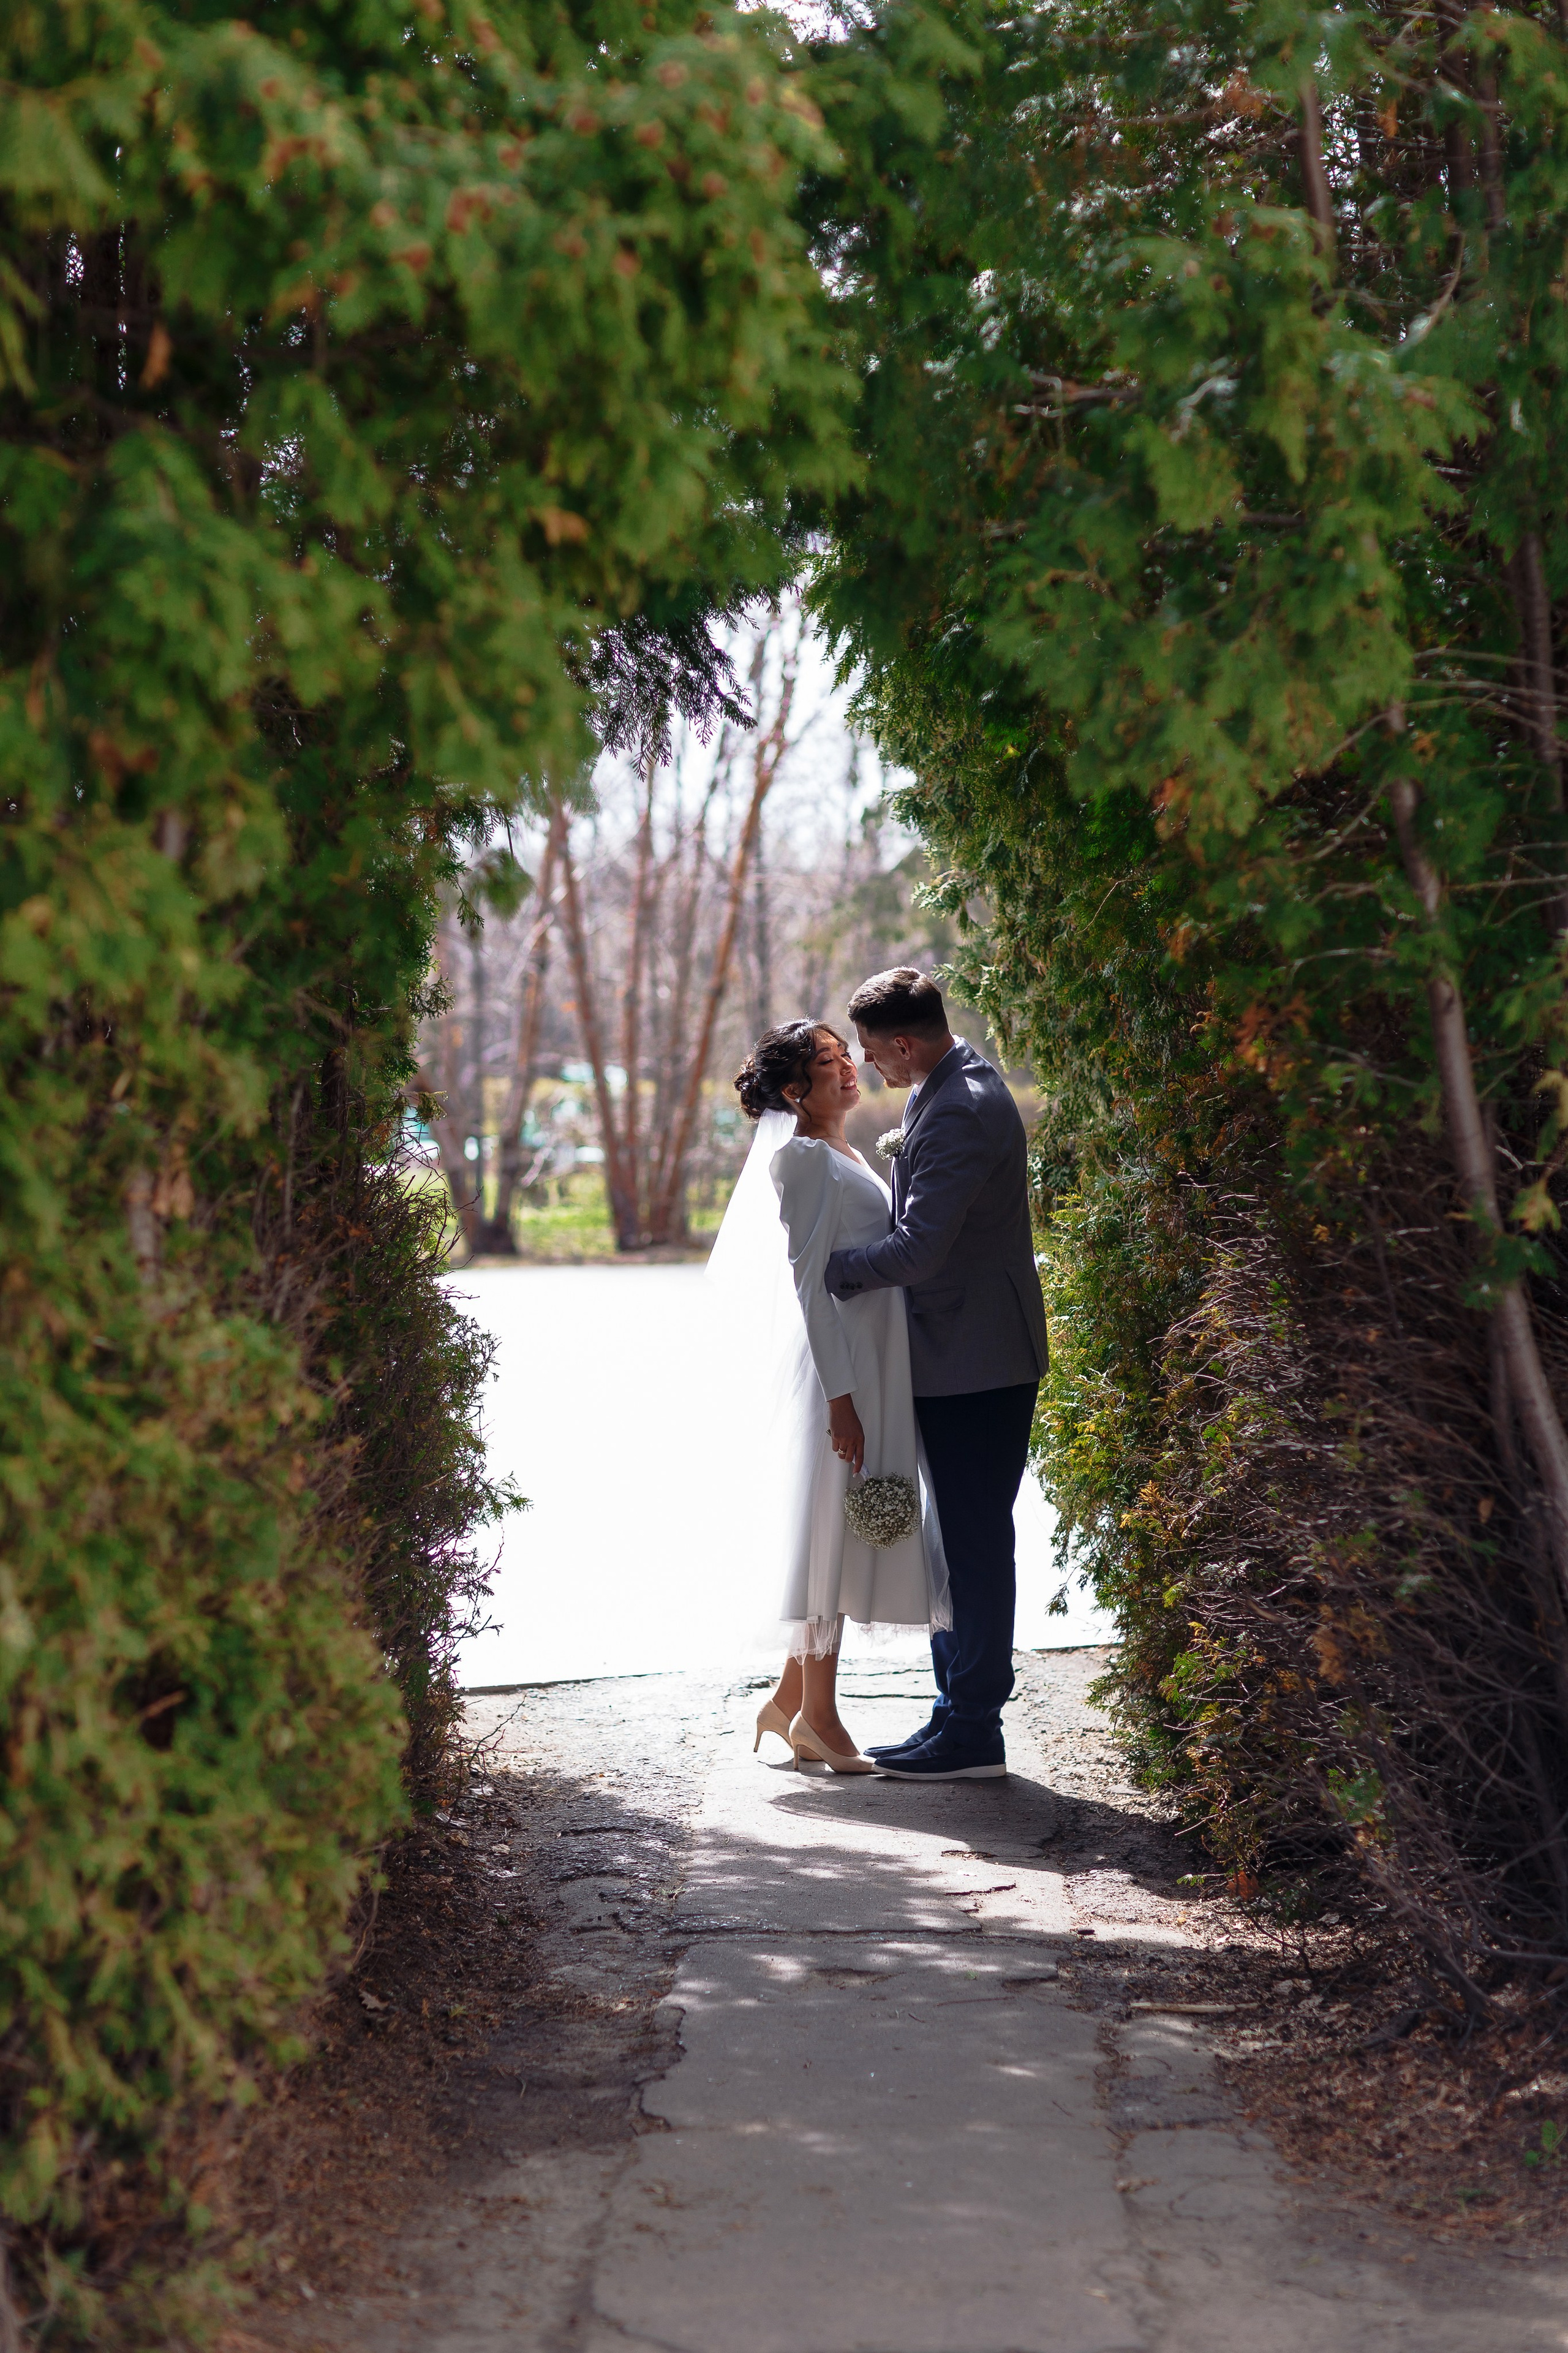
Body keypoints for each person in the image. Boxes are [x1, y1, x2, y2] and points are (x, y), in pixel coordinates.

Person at [824, 967, 1048, 1781]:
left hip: (980, 1359)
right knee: (954, 1539)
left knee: (976, 1541)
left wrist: (834, 1272)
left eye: (876, 1053)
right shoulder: (952, 1080)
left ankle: (976, 1728)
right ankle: (953, 1711)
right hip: (959, 1351)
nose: (872, 1066)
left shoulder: (959, 1107)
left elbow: (921, 1249)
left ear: (907, 1042)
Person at [715, 1018, 948, 1773]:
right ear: (794, 1090)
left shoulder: (842, 1152)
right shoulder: (804, 1161)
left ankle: (787, 1702)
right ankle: (818, 1716)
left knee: (841, 1532)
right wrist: (840, 1400)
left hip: (876, 1366)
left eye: (846, 1055)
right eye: (827, 1061)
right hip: (843, 1372)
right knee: (833, 1535)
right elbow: (812, 1287)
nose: (848, 1067)